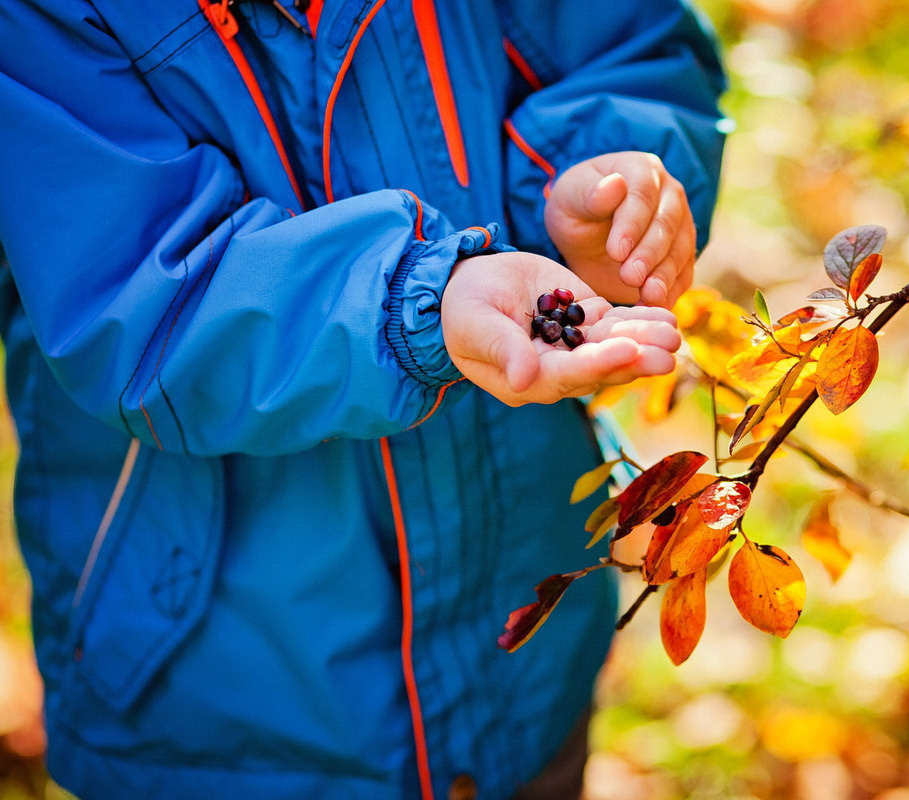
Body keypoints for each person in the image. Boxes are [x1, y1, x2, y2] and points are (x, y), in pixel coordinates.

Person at [0, 0, 725, 797]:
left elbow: (635, 48)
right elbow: (135, 299)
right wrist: (420, 303)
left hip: (517, 651)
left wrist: (594, 195)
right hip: (222, 710)